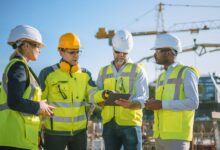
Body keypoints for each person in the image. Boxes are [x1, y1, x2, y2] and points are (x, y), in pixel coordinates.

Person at [38, 32, 105, 150]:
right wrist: (37, 131)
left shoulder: (85, 74)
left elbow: (92, 94)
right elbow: (38, 102)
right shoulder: (47, 74)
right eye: (72, 52)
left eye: (78, 51)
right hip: (55, 133)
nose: (76, 55)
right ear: (61, 52)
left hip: (79, 133)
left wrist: (104, 94)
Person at [0, 25, 55, 150]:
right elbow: (14, 101)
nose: (39, 50)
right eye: (37, 46)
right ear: (26, 46)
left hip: (21, 139)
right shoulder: (19, 67)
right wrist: (39, 106)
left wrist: (41, 108)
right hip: (15, 140)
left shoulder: (21, 68)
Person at [145, 33, 200, 150]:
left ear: (169, 52)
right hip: (160, 135)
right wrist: (152, 103)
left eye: (157, 51)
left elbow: (193, 103)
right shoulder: (161, 77)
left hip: (177, 137)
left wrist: (161, 104)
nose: (155, 55)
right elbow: (161, 103)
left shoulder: (187, 72)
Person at [96, 30, 149, 150]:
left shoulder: (138, 70)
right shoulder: (103, 71)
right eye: (117, 52)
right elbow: (96, 93)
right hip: (109, 124)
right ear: (112, 49)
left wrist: (132, 104)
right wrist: (101, 98)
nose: (121, 55)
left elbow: (143, 97)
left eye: (124, 53)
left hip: (130, 124)